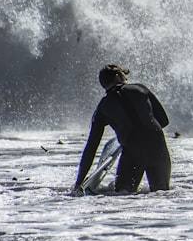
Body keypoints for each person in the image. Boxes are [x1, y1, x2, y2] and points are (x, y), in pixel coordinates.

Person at [73, 64, 172, 193]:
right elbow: (164, 121)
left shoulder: (102, 108)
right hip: (158, 147)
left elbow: (92, 147)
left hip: (133, 150)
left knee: (124, 195)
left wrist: (79, 182)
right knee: (161, 193)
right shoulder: (141, 89)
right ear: (118, 76)